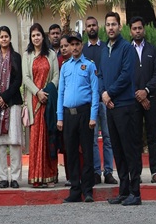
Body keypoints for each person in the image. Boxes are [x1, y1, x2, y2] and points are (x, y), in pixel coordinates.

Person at [100, 11, 142, 206]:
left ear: (120, 26)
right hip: (110, 106)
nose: (111, 28)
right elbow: (100, 74)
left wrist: (110, 93)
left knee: (129, 150)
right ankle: (123, 192)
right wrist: (103, 93)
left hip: (125, 106)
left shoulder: (127, 48)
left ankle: (136, 193)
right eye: (108, 24)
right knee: (117, 149)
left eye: (114, 24)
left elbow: (126, 75)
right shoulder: (104, 50)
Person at [56, 31, 98, 203]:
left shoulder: (89, 66)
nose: (74, 47)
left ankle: (87, 190)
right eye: (71, 44)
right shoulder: (65, 67)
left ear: (82, 45)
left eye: (77, 44)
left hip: (84, 114)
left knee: (87, 153)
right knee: (71, 152)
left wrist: (93, 116)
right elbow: (61, 93)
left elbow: (95, 92)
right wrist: (60, 117)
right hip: (68, 115)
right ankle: (75, 190)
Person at [23, 23, 59, 187]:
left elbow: (56, 76)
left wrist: (47, 91)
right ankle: (37, 177)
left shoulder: (51, 54)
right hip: (35, 102)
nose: (36, 38)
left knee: (49, 138)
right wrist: (37, 92)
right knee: (37, 139)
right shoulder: (27, 55)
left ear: (43, 37)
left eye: (38, 35)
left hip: (49, 101)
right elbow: (25, 78)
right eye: (33, 35)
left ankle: (50, 176)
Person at [130, 16, 156, 184]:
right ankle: (136, 174)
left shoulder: (152, 50)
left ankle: (155, 172)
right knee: (135, 138)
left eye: (140, 28)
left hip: (151, 100)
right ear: (131, 31)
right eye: (134, 28)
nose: (137, 31)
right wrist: (139, 94)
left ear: (144, 29)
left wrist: (146, 91)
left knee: (152, 137)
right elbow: (126, 75)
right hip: (133, 101)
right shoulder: (127, 51)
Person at [0, 25, 23, 188]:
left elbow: (18, 80)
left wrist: (6, 97)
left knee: (14, 142)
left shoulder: (16, 57)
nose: (4, 39)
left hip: (13, 103)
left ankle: (15, 178)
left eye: (6, 36)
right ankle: (2, 177)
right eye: (1, 37)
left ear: (10, 38)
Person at [84, 14, 116, 185]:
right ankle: (96, 172)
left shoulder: (106, 48)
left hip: (106, 98)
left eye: (94, 25)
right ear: (85, 29)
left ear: (98, 27)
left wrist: (107, 94)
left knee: (108, 137)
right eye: (89, 26)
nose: (91, 28)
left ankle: (109, 172)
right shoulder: (83, 50)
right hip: (91, 101)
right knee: (93, 138)